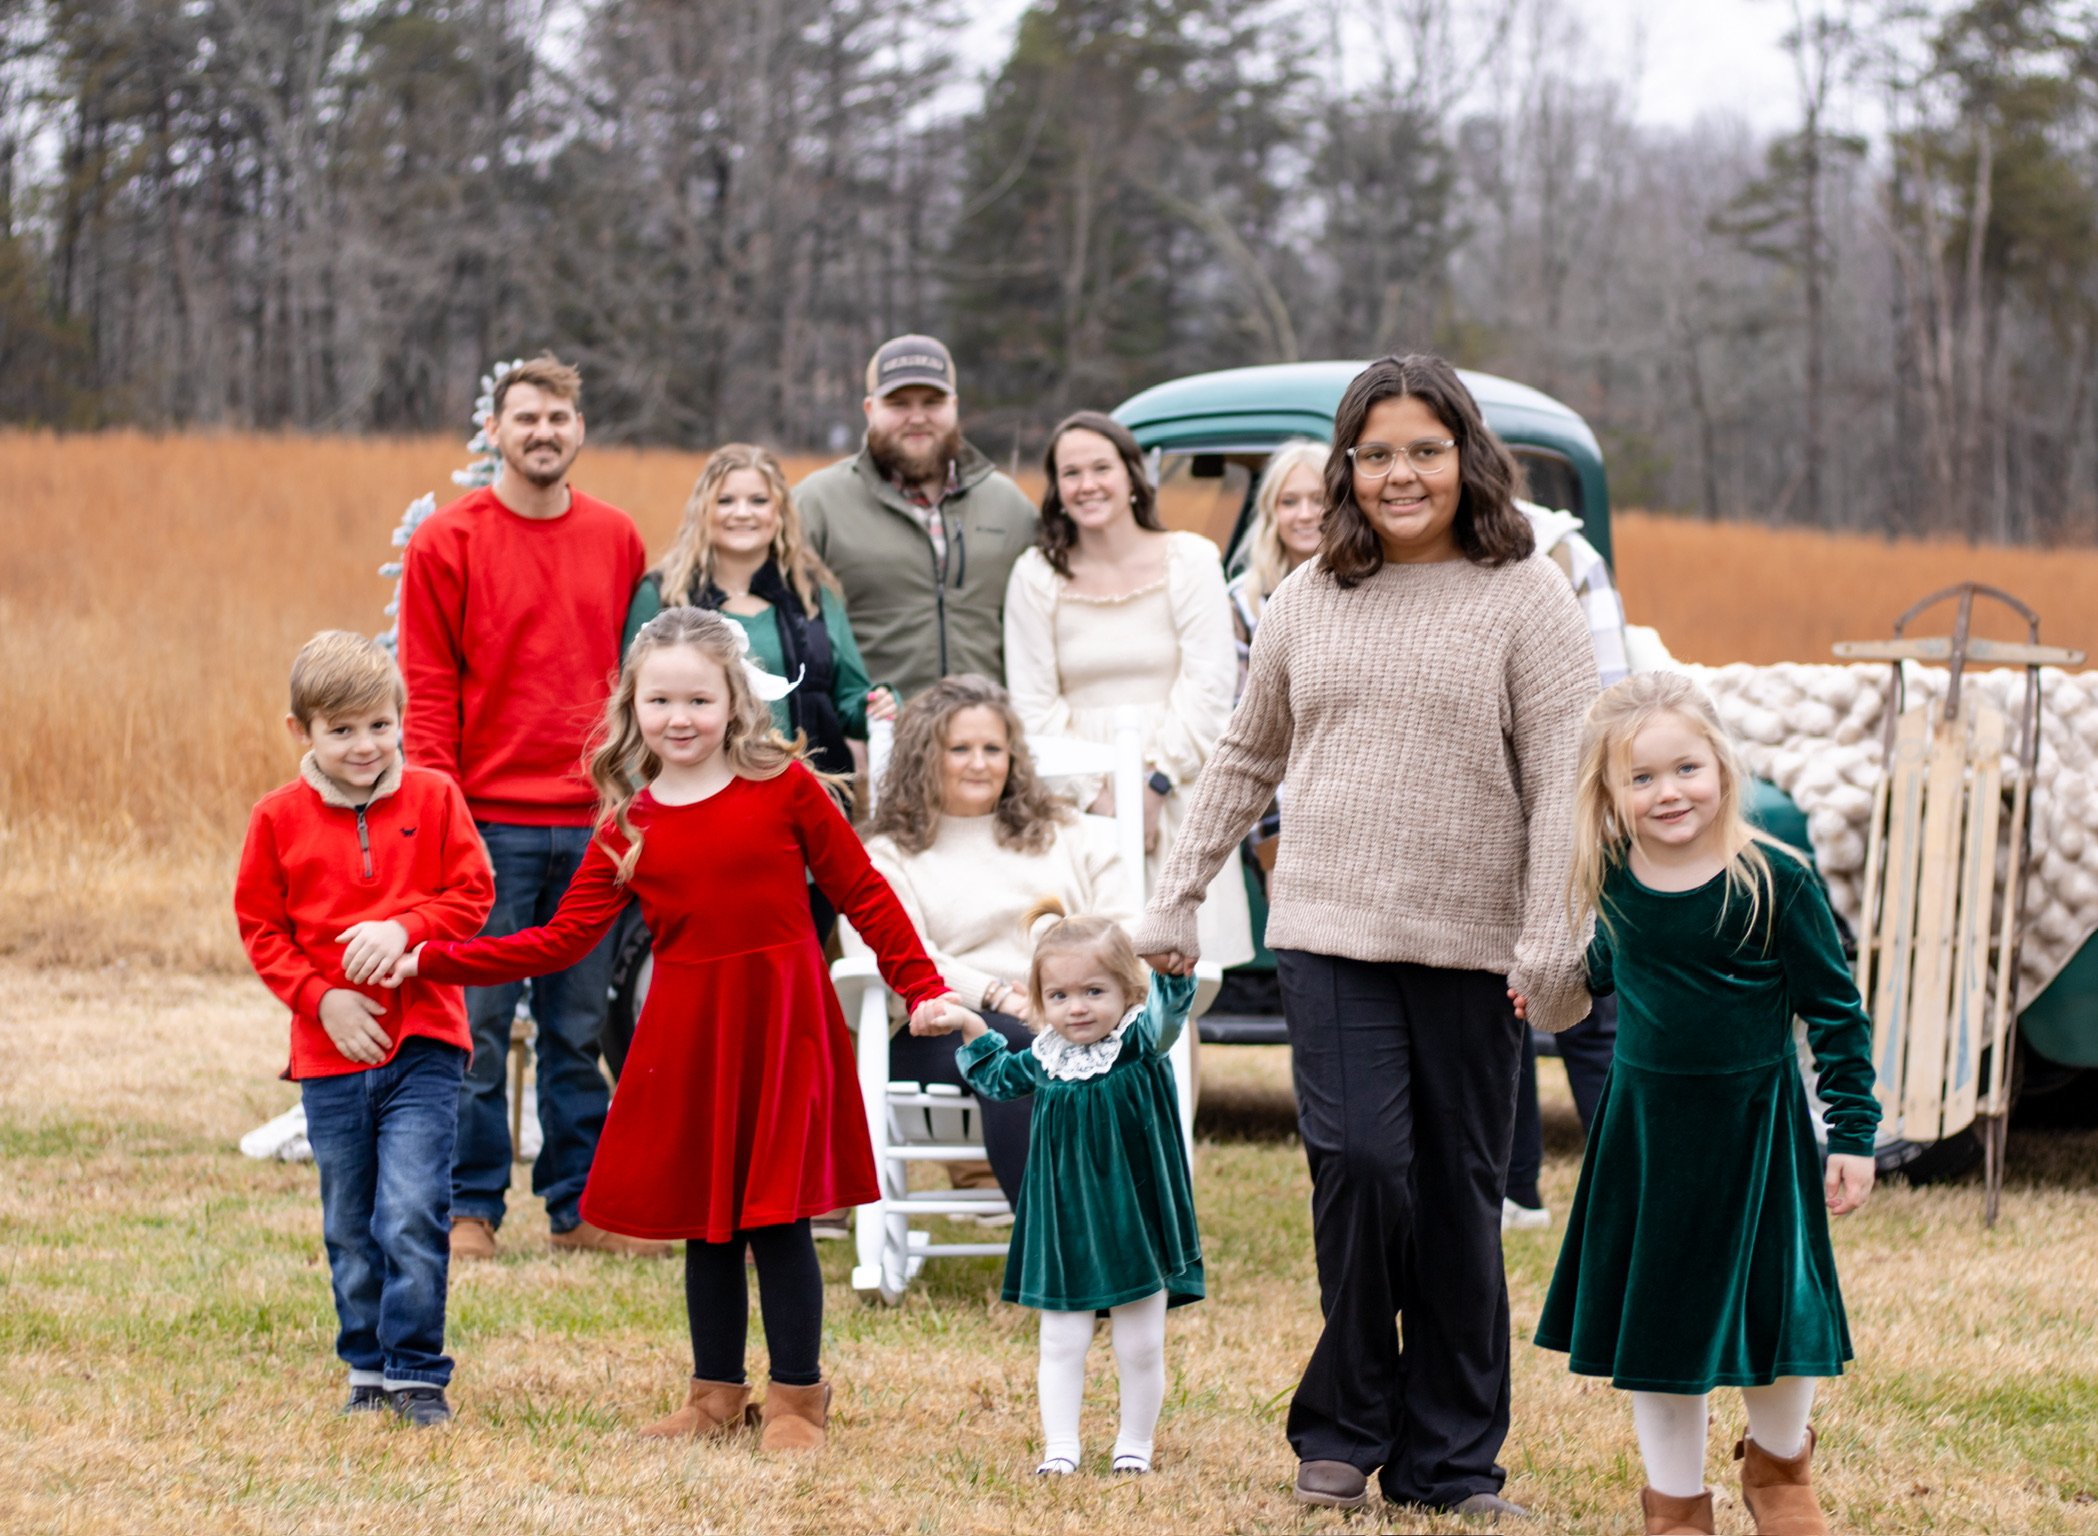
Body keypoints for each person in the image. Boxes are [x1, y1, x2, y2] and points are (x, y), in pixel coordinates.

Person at [1132, 354, 1599, 1516]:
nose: (1400, 474)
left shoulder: (1524, 593)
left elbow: (1563, 779)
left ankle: (1450, 1459)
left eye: (1423, 451)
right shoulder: (1307, 595)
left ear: (1466, 459)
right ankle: (1343, 1419)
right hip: (1330, 931)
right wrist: (1177, 891)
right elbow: (1247, 754)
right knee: (1361, 1169)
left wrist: (1551, 939)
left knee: (1456, 1196)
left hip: (1474, 942)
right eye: (1376, 453)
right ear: (1347, 467)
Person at [382, 607, 958, 1452]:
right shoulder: (629, 822)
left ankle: (799, 1398)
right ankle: (715, 1396)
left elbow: (861, 889)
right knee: (708, 1218)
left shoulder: (784, 787)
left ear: (734, 702)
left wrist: (922, 983)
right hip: (690, 1032)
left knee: (775, 1216)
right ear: (632, 707)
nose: (679, 719)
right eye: (660, 702)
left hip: (781, 1022)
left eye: (698, 700)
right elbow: (559, 939)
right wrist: (432, 958)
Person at [1528, 672, 1878, 1536]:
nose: (1667, 792)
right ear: (1609, 795)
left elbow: (1835, 1014)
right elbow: (1617, 966)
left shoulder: (1776, 882)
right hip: (1648, 1141)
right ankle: (1677, 1505)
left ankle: (1780, 1469)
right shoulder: (1612, 882)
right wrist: (1557, 983)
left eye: (1685, 768)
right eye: (1640, 779)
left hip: (1756, 1138)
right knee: (1661, 1327)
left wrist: (1854, 1134)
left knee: (1776, 1309)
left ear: (1720, 766)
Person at [395, 353, 663, 1261]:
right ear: (496, 433)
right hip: (487, 824)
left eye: (558, 418)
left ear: (578, 430)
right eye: (525, 419)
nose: (542, 433)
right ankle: (469, 1208)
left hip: (593, 823)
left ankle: (579, 1208)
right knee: (470, 1024)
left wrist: (630, 801)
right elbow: (427, 690)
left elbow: (638, 681)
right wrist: (441, 816)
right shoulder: (449, 541)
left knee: (577, 1028)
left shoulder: (618, 538)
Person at [232, 632, 495, 1428]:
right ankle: (367, 1366)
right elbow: (261, 928)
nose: (364, 745)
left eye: (379, 726)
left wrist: (403, 929)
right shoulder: (276, 819)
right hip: (331, 1054)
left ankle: (419, 1371)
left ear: (401, 720)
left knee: (412, 1208)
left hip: (427, 1044)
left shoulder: (437, 799)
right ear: (301, 732)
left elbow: (472, 896)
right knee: (351, 1221)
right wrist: (321, 1001)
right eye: (341, 730)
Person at [913, 901, 1202, 1477]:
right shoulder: (1046, 1059)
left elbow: (1169, 1018)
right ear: (1041, 1001)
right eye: (1061, 996)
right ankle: (1061, 1447)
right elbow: (996, 1079)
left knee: (1139, 1344)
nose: (1078, 1008)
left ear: (1127, 990)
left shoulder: (1138, 1043)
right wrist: (971, 1025)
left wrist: (1173, 976)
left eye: (1095, 991)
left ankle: (1134, 1445)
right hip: (1064, 1224)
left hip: (1134, 1219)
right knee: (1061, 1342)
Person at [859, 675, 1139, 1207]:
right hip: (944, 1029)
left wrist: (1067, 1001)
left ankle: (1111, 1235)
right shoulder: (888, 853)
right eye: (959, 749)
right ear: (923, 757)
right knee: (1014, 1044)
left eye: (993, 748)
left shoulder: (1068, 833)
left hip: (1079, 1018)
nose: (980, 763)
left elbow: (1123, 927)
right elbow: (899, 956)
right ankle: (1062, 1246)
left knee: (1077, 1047)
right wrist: (999, 996)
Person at [1006, 411, 1252, 970]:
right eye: (1071, 473)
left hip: (1180, 788)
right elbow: (1032, 705)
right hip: (1077, 802)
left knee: (1180, 976)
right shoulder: (1036, 575)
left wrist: (1154, 786)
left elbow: (1210, 689)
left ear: (1131, 475)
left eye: (1101, 468)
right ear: (1057, 489)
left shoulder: (1190, 559)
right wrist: (1101, 801)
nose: (1087, 484)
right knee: (1089, 975)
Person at [625, 442, 896, 939]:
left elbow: (849, 699)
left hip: (801, 816)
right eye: (726, 500)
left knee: (795, 952)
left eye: (757, 500)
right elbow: (634, 706)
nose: (742, 513)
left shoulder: (814, 595)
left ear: (779, 512)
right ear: (704, 508)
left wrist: (876, 705)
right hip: (698, 813)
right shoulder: (664, 596)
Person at [1503, 497, 1634, 1230]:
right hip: (1480, 822)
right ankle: (1515, 1191)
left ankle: (1634, 1181)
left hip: (1572, 808)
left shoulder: (1566, 555)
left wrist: (1597, 818)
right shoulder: (1426, 551)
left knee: (1588, 1007)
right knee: (1502, 1015)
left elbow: (1609, 702)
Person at [795, 334, 1039, 701]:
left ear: (954, 405)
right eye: (898, 403)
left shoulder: (1010, 506)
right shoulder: (816, 504)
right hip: (871, 742)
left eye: (932, 402)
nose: (917, 417)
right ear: (869, 409)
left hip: (984, 742)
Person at [1225, 440, 1327, 866]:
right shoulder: (1245, 603)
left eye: (1319, 500)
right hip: (1281, 819)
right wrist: (1269, 843)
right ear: (1272, 512)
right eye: (1290, 502)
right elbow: (1245, 730)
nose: (1305, 514)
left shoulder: (1376, 589)